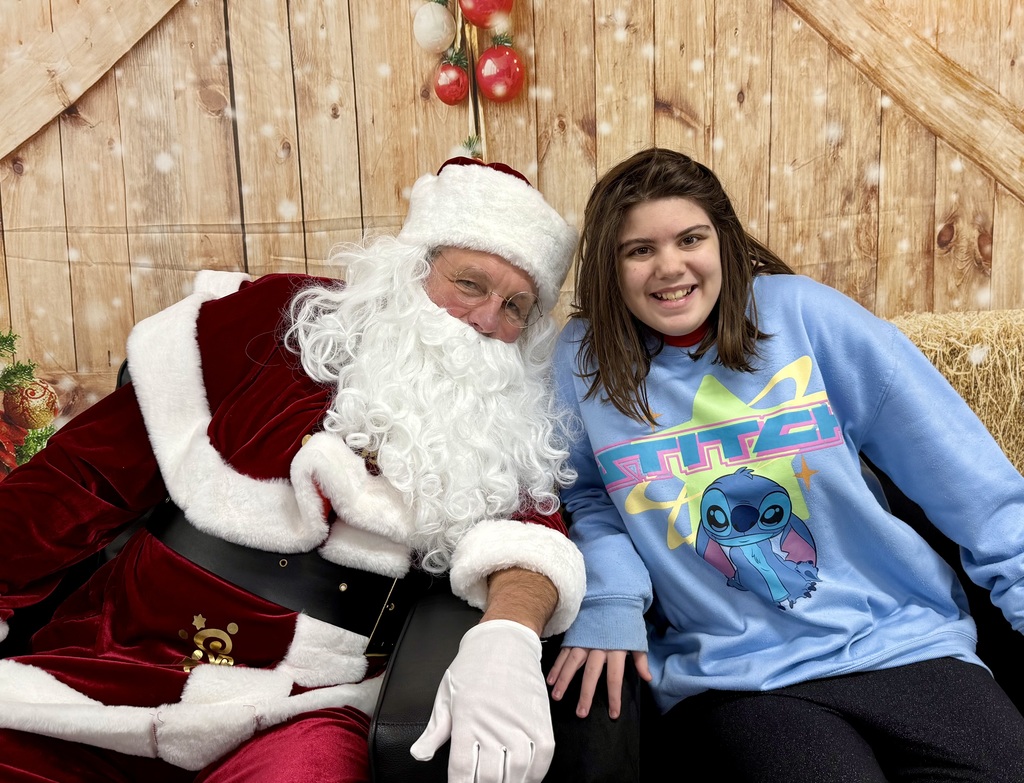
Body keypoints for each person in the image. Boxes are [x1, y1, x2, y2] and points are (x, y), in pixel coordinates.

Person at [0, 157, 585, 783]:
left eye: (516, 306)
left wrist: (509, 636)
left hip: (299, 701)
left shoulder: (507, 417)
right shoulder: (281, 321)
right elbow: (88, 474)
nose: (486, 319)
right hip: (116, 655)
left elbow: (532, 542)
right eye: (470, 284)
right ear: (413, 268)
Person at [546, 146, 1024, 781]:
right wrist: (610, 597)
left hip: (901, 639)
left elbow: (969, 480)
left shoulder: (804, 316)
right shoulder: (581, 362)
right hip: (738, 673)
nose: (670, 267)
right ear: (611, 265)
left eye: (691, 238)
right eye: (640, 250)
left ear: (723, 240)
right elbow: (587, 498)